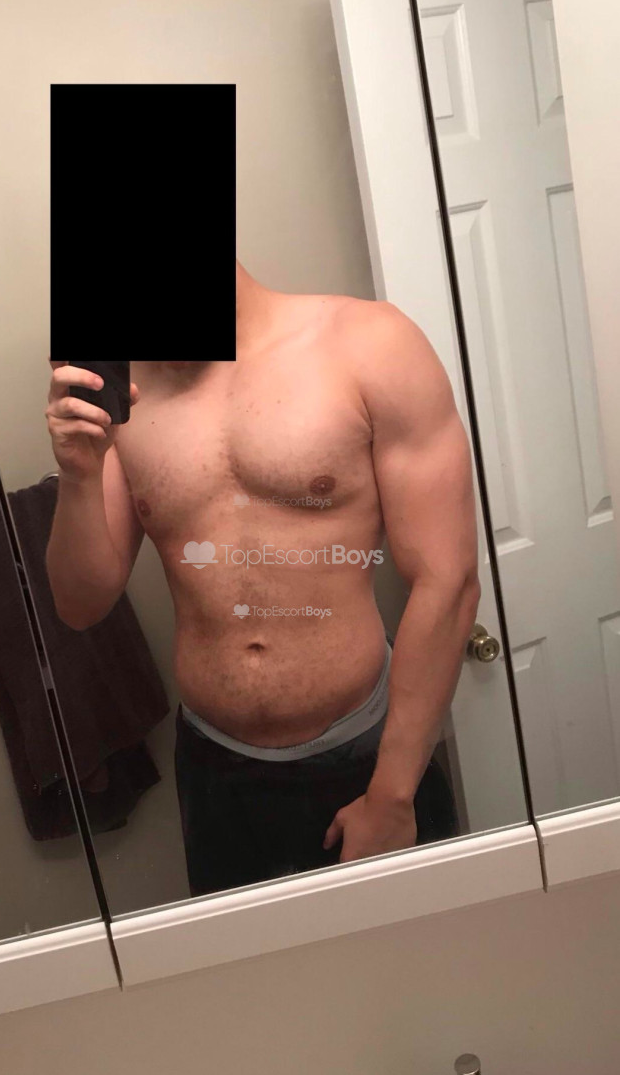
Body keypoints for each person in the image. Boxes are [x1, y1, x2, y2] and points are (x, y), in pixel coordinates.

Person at [45, 260, 480, 896]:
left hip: (371, 757)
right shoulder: (122, 394)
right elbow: (79, 604)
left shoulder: (369, 345)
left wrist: (392, 794)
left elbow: (450, 578)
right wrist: (80, 475)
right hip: (215, 772)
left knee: (418, 957)